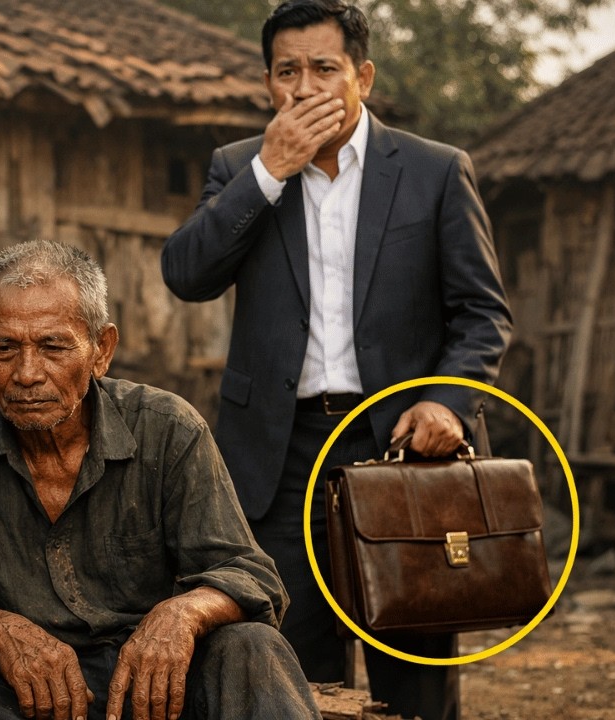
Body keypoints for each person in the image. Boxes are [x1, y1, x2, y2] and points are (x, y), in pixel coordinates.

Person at [160, 2, 512, 719]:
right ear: (268, 85)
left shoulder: (434, 170)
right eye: (288, 71)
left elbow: (483, 314)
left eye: (326, 68)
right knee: (289, 671)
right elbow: (186, 274)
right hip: (278, 459)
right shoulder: (239, 166)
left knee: (414, 671)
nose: (306, 86)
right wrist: (270, 171)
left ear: (364, 76)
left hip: (403, 451)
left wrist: (447, 400)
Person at [0, 240, 322, 720]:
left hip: (149, 682)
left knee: (251, 646)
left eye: (53, 347)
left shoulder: (167, 427)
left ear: (102, 349)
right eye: (4, 348)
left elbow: (248, 573)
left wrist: (181, 614)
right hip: (12, 686)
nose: (27, 374)